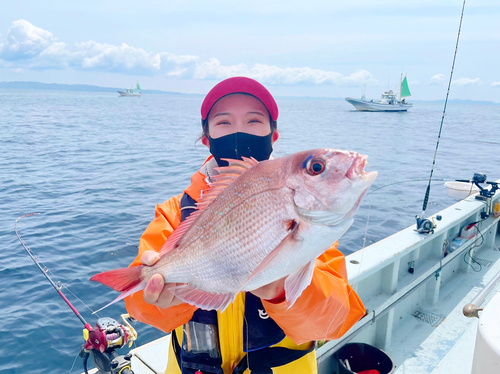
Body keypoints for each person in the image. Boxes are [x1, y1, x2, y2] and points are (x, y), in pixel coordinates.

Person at [124, 76, 366, 374]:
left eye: (253, 121)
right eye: (224, 123)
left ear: (273, 135)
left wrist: (281, 291)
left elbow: (335, 320)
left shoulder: (312, 220)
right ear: (206, 138)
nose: (239, 131)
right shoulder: (176, 212)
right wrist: (163, 299)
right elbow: (138, 306)